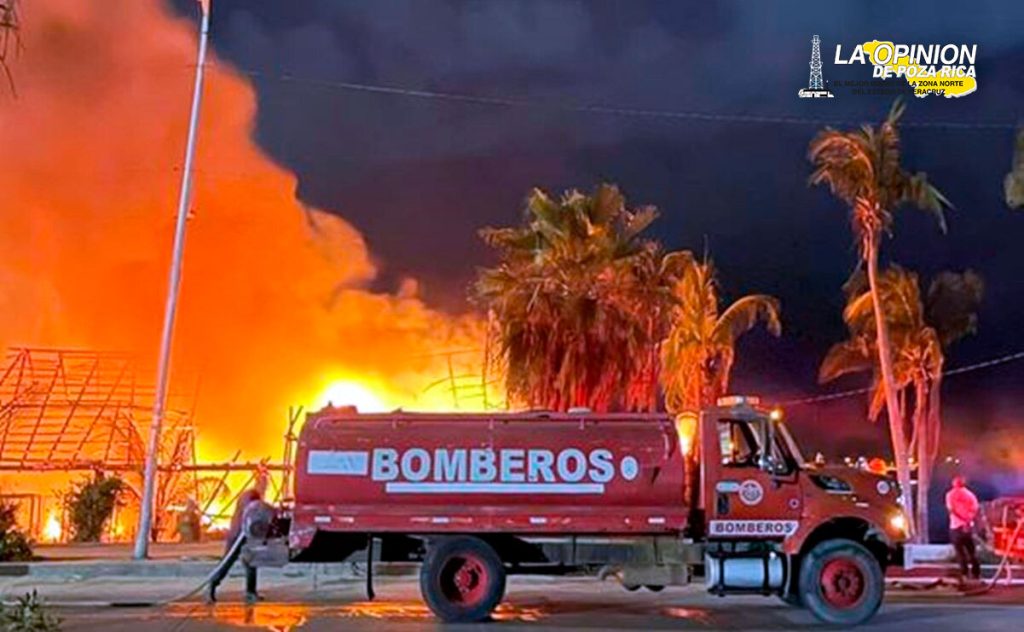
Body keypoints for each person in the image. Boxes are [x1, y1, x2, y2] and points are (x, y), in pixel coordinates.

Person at [208, 473, 268, 603]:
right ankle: (213, 583)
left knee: (251, 562)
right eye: (263, 484)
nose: (265, 487)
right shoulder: (251, 496)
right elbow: (251, 513)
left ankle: (250, 592)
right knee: (228, 562)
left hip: (242, 534)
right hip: (239, 534)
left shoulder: (251, 495)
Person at [945, 475, 981, 583]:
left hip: (956, 526)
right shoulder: (970, 495)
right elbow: (975, 510)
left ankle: (965, 574)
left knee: (960, 553)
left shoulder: (950, 494)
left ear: (954, 483)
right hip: (968, 527)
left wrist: (962, 521)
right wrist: (967, 521)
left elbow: (951, 510)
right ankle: (976, 575)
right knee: (972, 552)